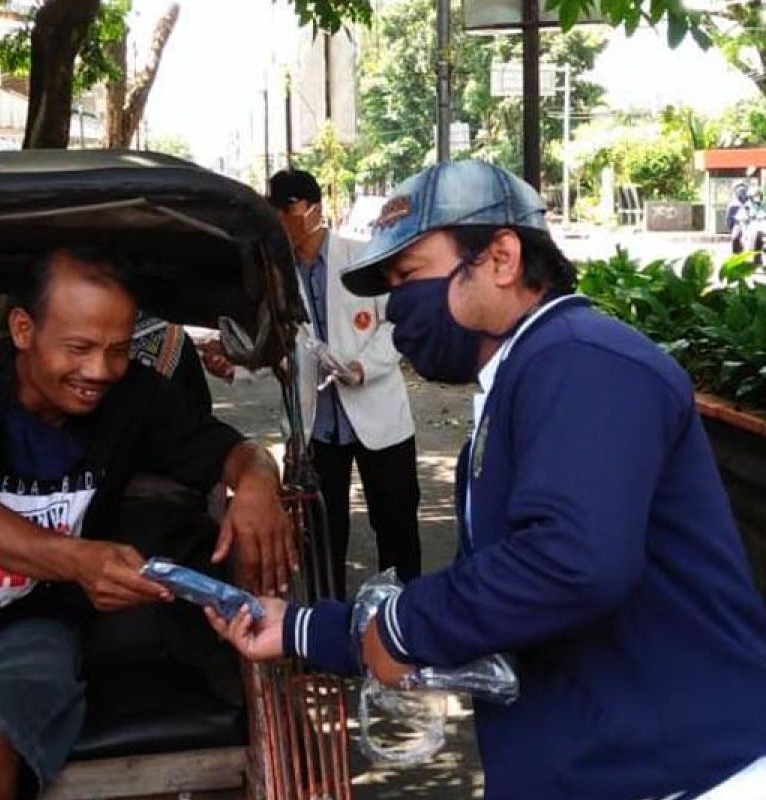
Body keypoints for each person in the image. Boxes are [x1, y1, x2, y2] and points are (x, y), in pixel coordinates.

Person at [207, 161, 766, 800]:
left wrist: (404, 627)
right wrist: (303, 629)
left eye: (409, 276)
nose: (395, 306)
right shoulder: (518, 385)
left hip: (686, 775)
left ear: (501, 257)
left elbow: (570, 560)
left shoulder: (584, 362)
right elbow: (496, 601)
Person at [0, 247, 295, 800]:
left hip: (32, 624)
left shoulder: (133, 396)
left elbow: (234, 451)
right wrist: (81, 560)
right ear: (24, 329)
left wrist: (260, 480)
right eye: (78, 348)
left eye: (116, 350)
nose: (99, 371)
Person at [203, 169, 420, 597]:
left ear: (314, 211)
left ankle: (409, 620)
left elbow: (397, 325)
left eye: (285, 210)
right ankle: (329, 622)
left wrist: (361, 367)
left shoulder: (364, 259)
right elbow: (277, 345)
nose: (277, 220)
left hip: (379, 417)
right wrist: (238, 367)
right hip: (317, 425)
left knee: (395, 524)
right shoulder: (274, 276)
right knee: (323, 533)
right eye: (272, 211)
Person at [726, 181, 750, 254]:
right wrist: (732, 227)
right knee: (735, 238)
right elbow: (729, 217)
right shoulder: (732, 204)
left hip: (751, 223)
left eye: (743, 188)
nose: (741, 190)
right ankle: (736, 255)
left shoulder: (751, 201)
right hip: (738, 224)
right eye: (738, 188)